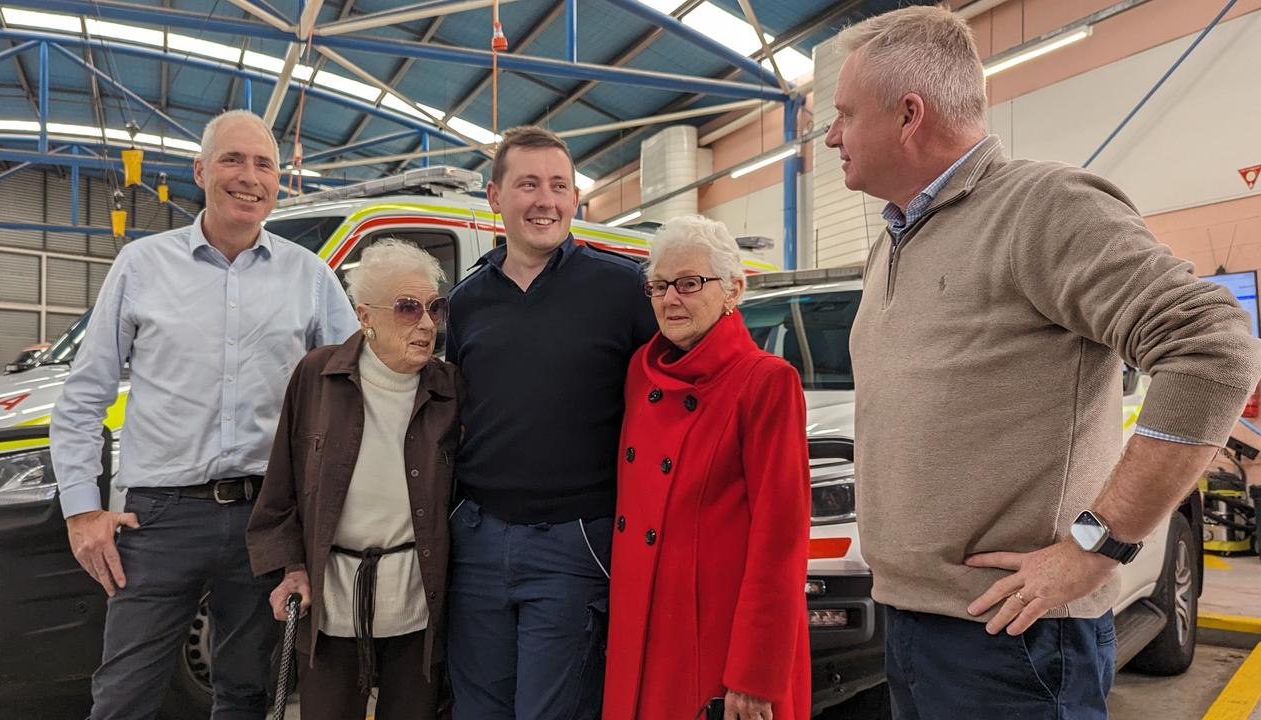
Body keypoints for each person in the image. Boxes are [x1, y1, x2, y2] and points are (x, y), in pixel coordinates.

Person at [826, 6, 1261, 718]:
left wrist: (1097, 544)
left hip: (1012, 640)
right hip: (914, 620)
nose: (834, 136)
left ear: (909, 115)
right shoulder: (897, 239)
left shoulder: (1041, 208)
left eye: (844, 115)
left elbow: (1212, 347)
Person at [49, 109, 358, 720]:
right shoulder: (142, 266)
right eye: (232, 160)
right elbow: (85, 393)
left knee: (245, 692)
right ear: (200, 171)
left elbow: (354, 394)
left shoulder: (312, 278)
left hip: (266, 518)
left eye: (264, 164)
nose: (249, 177)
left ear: (279, 181)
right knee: (123, 696)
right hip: (157, 520)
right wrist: (82, 510)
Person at [444, 126, 657, 719]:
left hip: (576, 540)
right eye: (529, 184)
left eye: (559, 186)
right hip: (479, 540)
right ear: (494, 195)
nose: (546, 200)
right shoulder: (466, 302)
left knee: (552, 711)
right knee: (476, 709)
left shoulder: (623, 289)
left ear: (575, 199)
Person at [602, 216, 811, 720]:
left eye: (690, 283)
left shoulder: (766, 382)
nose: (671, 298)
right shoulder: (640, 371)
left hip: (716, 640)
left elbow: (780, 541)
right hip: (642, 628)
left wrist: (754, 674)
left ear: (733, 290)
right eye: (659, 285)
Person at [246, 238, 460, 719]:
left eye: (434, 307)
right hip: (332, 603)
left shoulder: (450, 389)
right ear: (366, 316)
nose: (426, 323)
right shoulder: (317, 376)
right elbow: (281, 487)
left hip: (416, 605)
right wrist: (290, 567)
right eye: (408, 308)